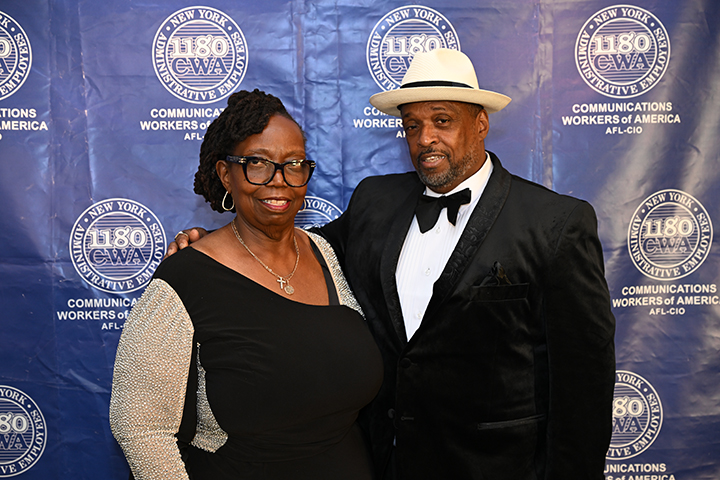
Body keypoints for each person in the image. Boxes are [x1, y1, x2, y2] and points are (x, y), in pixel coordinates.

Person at [169, 49, 616, 480]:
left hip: (496, 468)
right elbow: (294, 248)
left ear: (480, 123)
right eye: (412, 125)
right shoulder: (375, 201)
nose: (425, 138)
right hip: (381, 463)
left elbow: (583, 391)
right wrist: (216, 245)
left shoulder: (555, 224)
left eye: (442, 121)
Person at [109, 89, 383, 480]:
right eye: (258, 163)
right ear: (226, 174)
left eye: (293, 164)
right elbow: (140, 427)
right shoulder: (184, 278)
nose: (279, 180)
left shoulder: (326, 253)